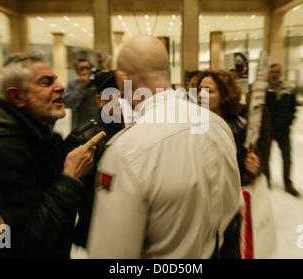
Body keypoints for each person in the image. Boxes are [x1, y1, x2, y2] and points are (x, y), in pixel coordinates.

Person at [87, 36, 242, 259]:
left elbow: (112, 256)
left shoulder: (126, 152)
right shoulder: (217, 126)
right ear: (166, 72)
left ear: (123, 80)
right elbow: (230, 210)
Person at [0, 53, 103, 258]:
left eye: (56, 80)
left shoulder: (35, 135)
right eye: (46, 82)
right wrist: (70, 177)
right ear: (17, 97)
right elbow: (27, 243)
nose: (60, 87)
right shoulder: (3, 150)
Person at [66, 70, 125, 248]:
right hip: (95, 234)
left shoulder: (139, 129)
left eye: (126, 96)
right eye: (115, 98)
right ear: (100, 100)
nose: (123, 103)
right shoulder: (83, 138)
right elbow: (72, 199)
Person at [197, 71, 260, 186]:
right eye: (200, 89)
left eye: (209, 91)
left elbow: (241, 174)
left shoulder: (238, 127)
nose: (201, 95)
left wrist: (252, 169)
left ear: (224, 97)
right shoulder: (192, 124)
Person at [264, 64, 300, 197]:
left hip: (284, 130)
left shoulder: (289, 89)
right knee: (266, 157)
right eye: (272, 72)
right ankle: (266, 180)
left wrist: (290, 120)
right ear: (268, 73)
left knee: (287, 157)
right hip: (268, 129)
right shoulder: (263, 89)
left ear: (281, 74)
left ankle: (288, 183)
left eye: (277, 72)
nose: (274, 74)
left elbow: (293, 107)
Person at [64, 59, 100, 130]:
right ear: (77, 71)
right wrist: (82, 86)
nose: (85, 71)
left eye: (87, 68)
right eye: (81, 69)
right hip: (80, 128)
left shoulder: (97, 83)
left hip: (98, 126)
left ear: (92, 70)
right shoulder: (72, 84)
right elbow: (68, 104)